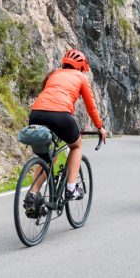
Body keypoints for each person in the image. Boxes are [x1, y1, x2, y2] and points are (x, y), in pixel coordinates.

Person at [26, 49, 106, 202]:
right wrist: (99, 127)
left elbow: (46, 95)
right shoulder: (81, 77)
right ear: (81, 68)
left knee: (48, 157)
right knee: (76, 146)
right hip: (61, 115)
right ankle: (71, 189)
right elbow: (91, 107)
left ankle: (32, 194)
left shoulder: (53, 74)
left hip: (36, 114)